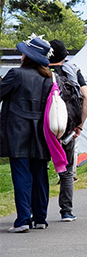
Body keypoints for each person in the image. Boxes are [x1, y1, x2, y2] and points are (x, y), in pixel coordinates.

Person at [2, 36, 68, 232]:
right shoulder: (48, 78)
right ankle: (40, 217)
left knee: (21, 175)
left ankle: (23, 219)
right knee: (40, 175)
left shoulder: (16, 74)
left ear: (28, 56)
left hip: (17, 131)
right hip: (42, 132)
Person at [48, 40, 87, 222]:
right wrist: (79, 125)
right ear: (65, 56)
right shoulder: (73, 71)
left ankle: (39, 212)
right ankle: (66, 211)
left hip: (46, 128)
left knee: (41, 168)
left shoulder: (42, 72)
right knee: (66, 171)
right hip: (67, 128)